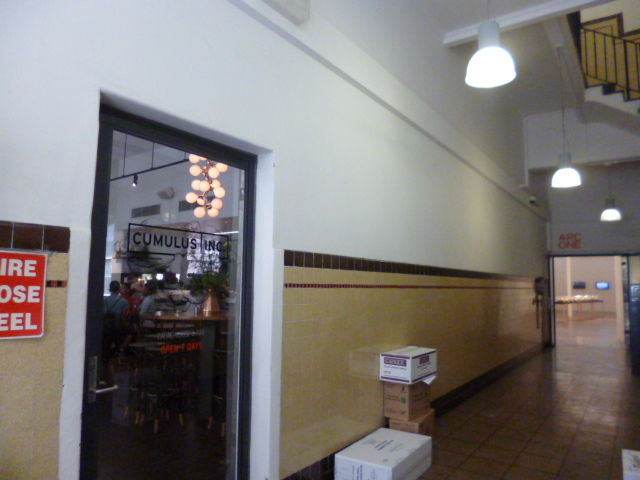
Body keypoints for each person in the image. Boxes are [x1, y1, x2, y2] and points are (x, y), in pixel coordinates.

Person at [103, 281, 131, 359]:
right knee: (130, 333)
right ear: (119, 290)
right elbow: (125, 315)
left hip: (106, 326)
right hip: (118, 326)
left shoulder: (104, 300)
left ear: (109, 290)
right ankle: (121, 348)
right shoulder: (124, 302)